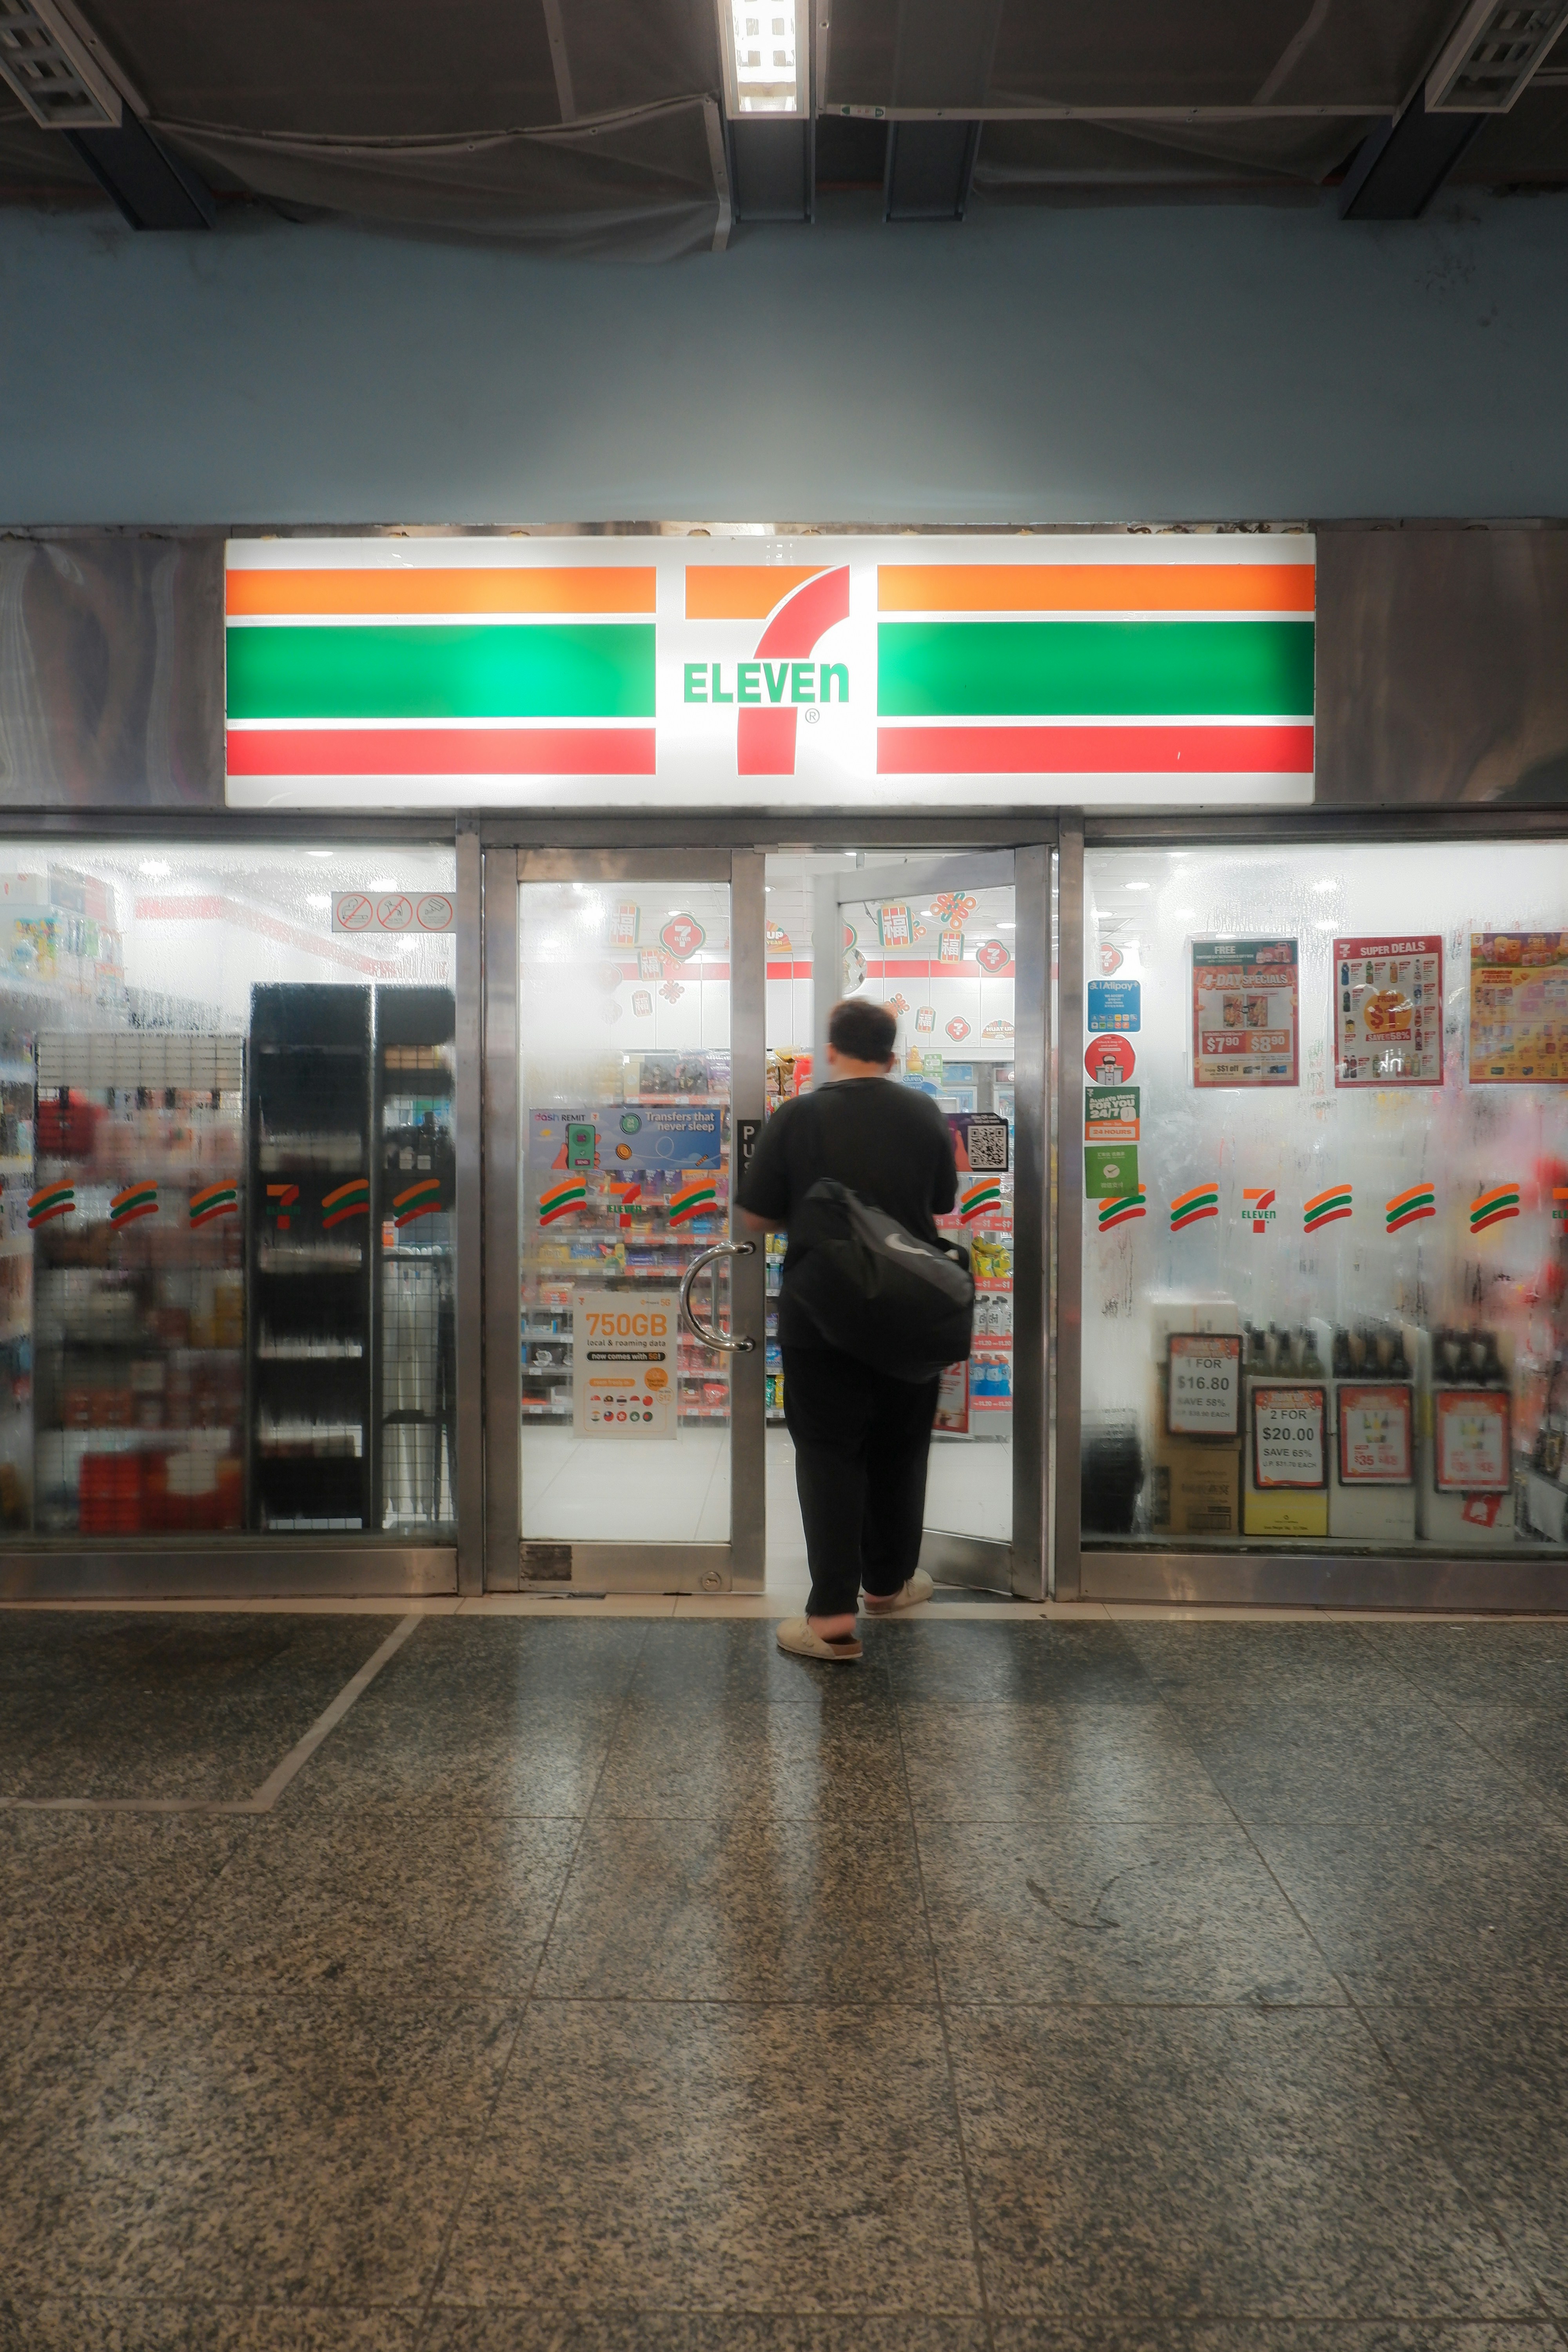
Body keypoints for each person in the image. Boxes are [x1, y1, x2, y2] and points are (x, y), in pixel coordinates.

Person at [737, 996, 958, 1662]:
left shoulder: (798, 1116)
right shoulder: (923, 1112)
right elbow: (941, 1202)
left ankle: (832, 1616)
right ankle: (887, 1585)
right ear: (892, 1055)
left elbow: (755, 1217)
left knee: (829, 1454)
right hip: (909, 1311)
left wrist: (817, 1220)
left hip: (821, 1317)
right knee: (901, 1449)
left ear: (831, 1049)